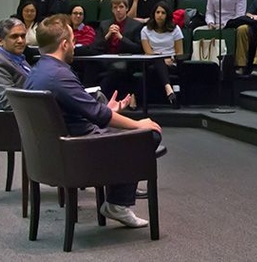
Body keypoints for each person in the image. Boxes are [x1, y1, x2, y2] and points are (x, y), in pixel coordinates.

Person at [26, 14, 162, 229]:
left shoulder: (36, 72)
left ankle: (119, 191)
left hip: (55, 150)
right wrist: (138, 125)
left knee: (129, 136)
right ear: (64, 44)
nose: (75, 46)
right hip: (78, 149)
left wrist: (106, 110)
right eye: (73, 41)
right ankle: (117, 203)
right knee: (148, 135)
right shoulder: (59, 76)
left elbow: (82, 110)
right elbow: (99, 116)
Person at [0, 18, 30, 110]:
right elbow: (9, 102)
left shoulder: (18, 58)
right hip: (17, 116)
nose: (20, 40)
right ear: (1, 41)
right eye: (14, 37)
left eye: (23, 36)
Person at [140, 2, 183, 108]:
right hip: (152, 60)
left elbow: (180, 52)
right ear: (153, 14)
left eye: (163, 13)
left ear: (167, 15)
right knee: (156, 59)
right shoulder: (145, 30)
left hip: (171, 62)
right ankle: (168, 88)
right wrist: (163, 60)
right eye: (157, 12)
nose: (160, 15)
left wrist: (172, 59)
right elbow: (148, 52)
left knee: (154, 67)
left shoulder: (175, 29)